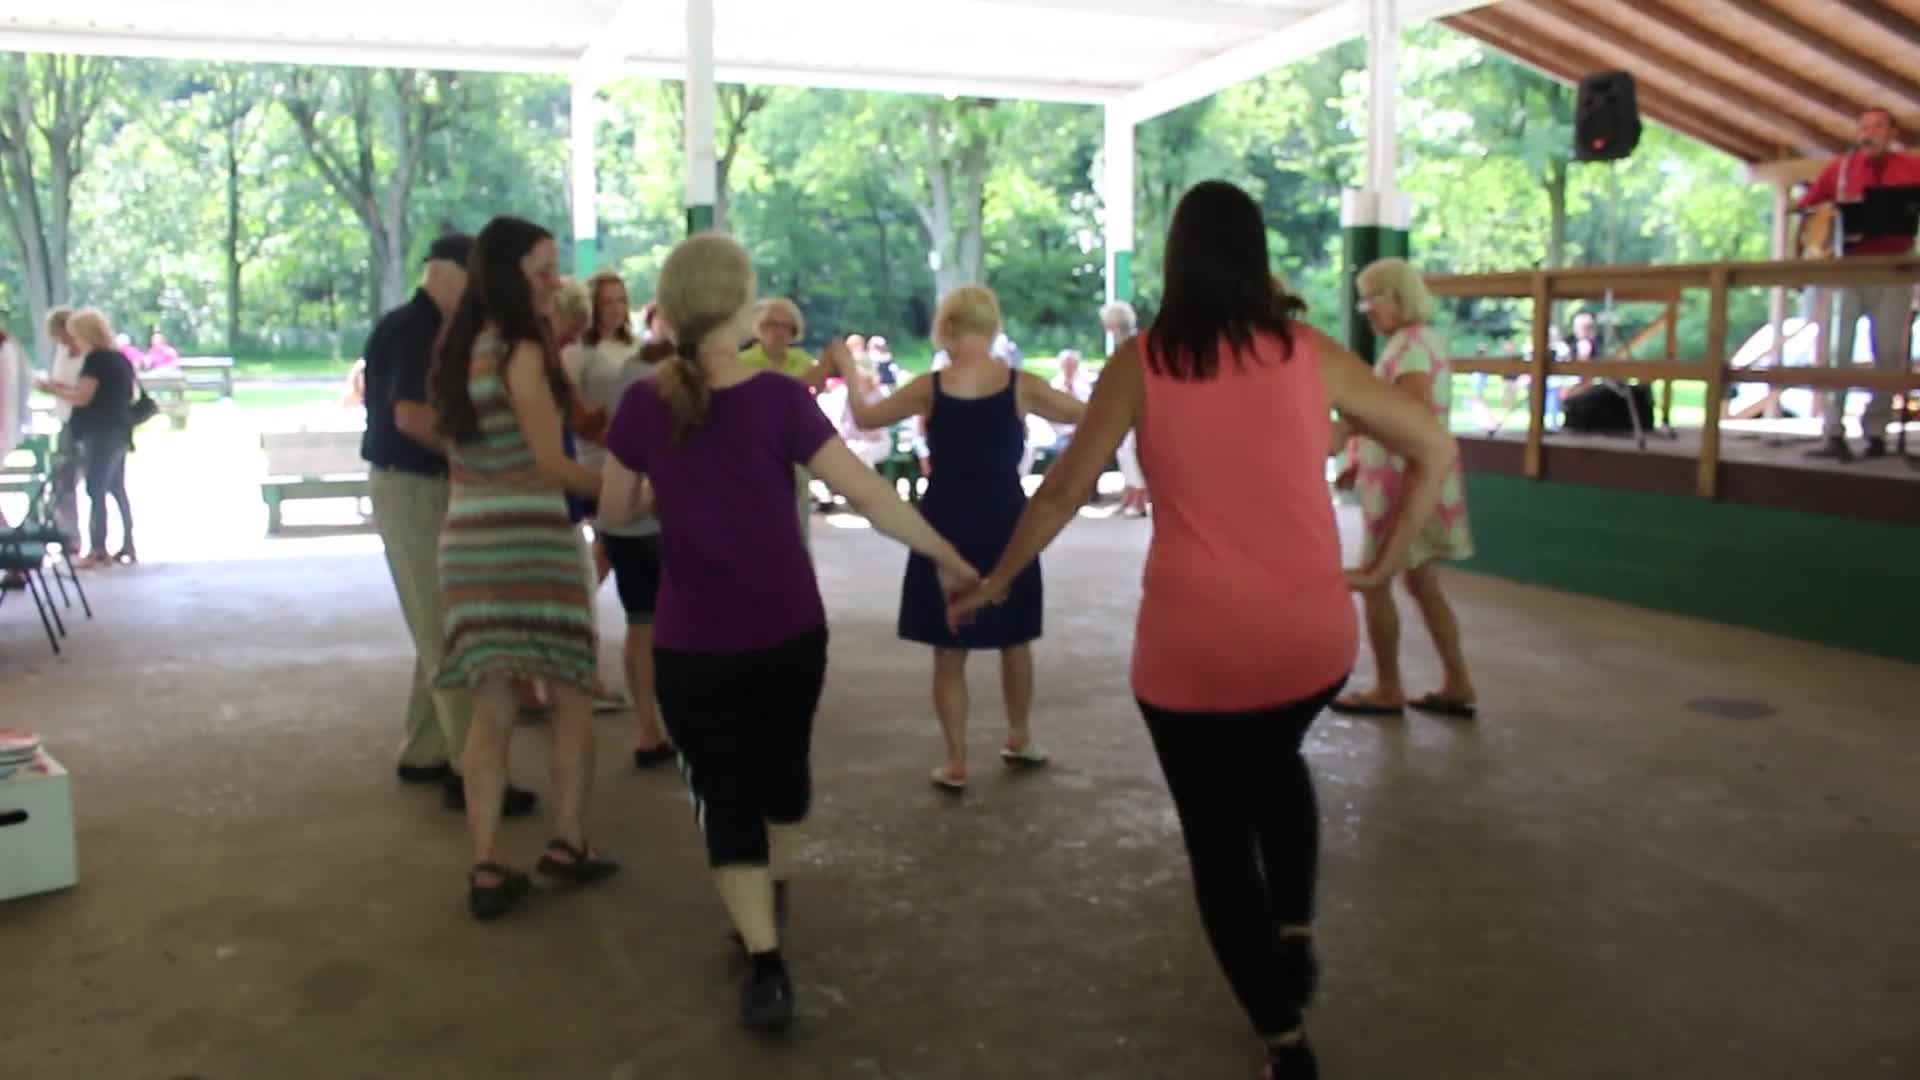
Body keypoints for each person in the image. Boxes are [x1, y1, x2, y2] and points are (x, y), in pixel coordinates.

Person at [946, 180, 1455, 1080]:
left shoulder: (1143, 362)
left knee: (1220, 842)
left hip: (1194, 652)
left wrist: (997, 579)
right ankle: (1293, 935)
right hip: (1312, 640)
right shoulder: (1309, 351)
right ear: (1256, 257)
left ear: (1176, 260)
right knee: (1277, 761)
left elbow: (1064, 489)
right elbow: (1434, 445)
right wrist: (1384, 562)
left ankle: (1284, 1040)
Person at [597, 232, 976, 1032]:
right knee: (773, 792)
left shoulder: (644, 404)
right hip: (788, 638)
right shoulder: (778, 401)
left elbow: (613, 512)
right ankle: (766, 952)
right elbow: (870, 495)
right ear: (739, 309)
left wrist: (665, 497)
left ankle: (764, 949)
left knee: (727, 799)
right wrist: (945, 554)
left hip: (690, 648)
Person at [429, 215, 617, 920]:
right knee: (570, 694)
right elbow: (550, 462)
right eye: (544, 269)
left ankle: (484, 863)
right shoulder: (523, 351)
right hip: (532, 539)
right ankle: (568, 843)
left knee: (492, 706)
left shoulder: (460, 350)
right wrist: (636, 489)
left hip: (467, 540)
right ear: (512, 276)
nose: (557, 280)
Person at [835, 285, 1087, 790]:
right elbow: (1087, 416)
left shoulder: (930, 387)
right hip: (1007, 519)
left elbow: (865, 418)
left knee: (948, 653)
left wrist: (845, 363)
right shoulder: (1020, 385)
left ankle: (955, 760)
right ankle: (1019, 735)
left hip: (943, 520)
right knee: (1016, 639)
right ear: (993, 327)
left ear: (946, 328)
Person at [361, 232, 536, 816]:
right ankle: (473, 770)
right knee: (445, 631)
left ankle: (424, 750)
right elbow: (411, 416)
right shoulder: (414, 328)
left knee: (433, 618)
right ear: (449, 272)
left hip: (424, 483)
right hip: (412, 484)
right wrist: (477, 457)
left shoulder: (425, 325)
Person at [1329, 258, 1478, 720]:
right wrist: (1357, 456)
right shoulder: (1411, 343)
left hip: (1404, 486)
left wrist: (1347, 432)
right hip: (1399, 481)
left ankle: (1388, 686)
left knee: (1377, 582)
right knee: (1422, 582)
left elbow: (1406, 420)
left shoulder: (1411, 348)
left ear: (1400, 296)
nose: (1366, 309)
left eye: (1374, 297)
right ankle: (1458, 681)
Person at [574, 268, 676, 767]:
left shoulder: (644, 358)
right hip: (620, 488)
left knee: (647, 609)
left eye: (620, 300)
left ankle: (656, 722)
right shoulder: (605, 361)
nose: (614, 308)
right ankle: (647, 728)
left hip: (645, 498)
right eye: (606, 301)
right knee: (643, 615)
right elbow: (595, 423)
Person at [1797, 106, 1920, 461]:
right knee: (1838, 350)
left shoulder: (1911, 167)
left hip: (1893, 268)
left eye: (1879, 126)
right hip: (1847, 266)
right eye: (1864, 126)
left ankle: (1877, 431)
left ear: (1891, 132)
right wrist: (1825, 216)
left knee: (1889, 352)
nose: (1870, 133)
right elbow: (1807, 207)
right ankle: (1833, 430)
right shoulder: (1840, 169)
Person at [37, 309, 135, 567]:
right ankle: (128, 542)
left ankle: (98, 548)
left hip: (99, 431)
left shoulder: (95, 360)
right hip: (120, 429)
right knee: (116, 488)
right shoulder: (120, 358)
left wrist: (52, 390)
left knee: (96, 487)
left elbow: (83, 396)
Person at [40, 307, 84, 545]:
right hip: (65, 419)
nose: (62, 342)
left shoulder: (89, 354)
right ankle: (70, 537)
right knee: (63, 481)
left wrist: (55, 389)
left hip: (85, 421)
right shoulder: (61, 351)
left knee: (98, 484)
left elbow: (83, 390)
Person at [1102, 301, 1150, 517]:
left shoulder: (1132, 344)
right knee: (1123, 450)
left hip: (1139, 405)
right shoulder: (1125, 343)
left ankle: (1139, 500)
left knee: (1131, 450)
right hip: (1126, 404)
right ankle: (1129, 496)